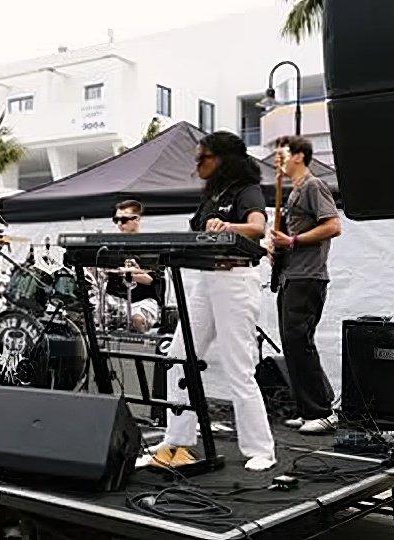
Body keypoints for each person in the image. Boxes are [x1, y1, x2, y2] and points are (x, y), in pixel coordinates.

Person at [152, 131, 277, 472]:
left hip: (235, 280)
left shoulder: (246, 190)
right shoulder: (212, 194)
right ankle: (176, 438)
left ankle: (261, 449)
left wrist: (228, 226)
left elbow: (257, 227)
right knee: (179, 356)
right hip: (206, 280)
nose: (197, 164)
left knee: (239, 367)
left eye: (203, 158)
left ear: (223, 158)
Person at [270, 135, 342, 434]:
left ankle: (322, 411)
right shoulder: (293, 192)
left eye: (282, 154)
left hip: (308, 277)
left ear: (299, 155)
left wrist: (293, 240)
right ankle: (307, 408)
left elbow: (333, 225)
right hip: (292, 275)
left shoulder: (313, 185)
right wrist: (280, 249)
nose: (278, 159)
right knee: (292, 344)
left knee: (300, 341)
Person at [99, 200, 161, 332]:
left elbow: (152, 279)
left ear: (137, 219)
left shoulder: (150, 248)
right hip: (114, 299)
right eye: (116, 220)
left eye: (124, 220)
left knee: (138, 320)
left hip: (142, 300)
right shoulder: (110, 247)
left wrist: (127, 273)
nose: (120, 224)